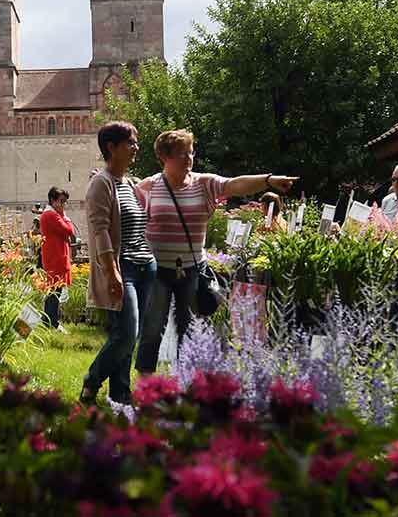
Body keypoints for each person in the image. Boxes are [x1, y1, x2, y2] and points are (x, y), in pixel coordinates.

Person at [135, 129, 297, 373]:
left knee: (189, 328)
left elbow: (235, 184)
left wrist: (269, 180)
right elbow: (133, 226)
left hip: (192, 270)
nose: (189, 158)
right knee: (152, 327)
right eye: (182, 154)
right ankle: (147, 385)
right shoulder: (147, 187)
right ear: (164, 157)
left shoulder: (204, 183)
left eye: (191, 152)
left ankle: (186, 383)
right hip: (158, 270)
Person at [80, 122, 157, 406]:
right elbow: (99, 229)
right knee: (126, 334)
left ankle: (120, 393)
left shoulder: (131, 183)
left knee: (128, 335)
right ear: (111, 148)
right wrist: (111, 271)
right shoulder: (101, 183)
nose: (136, 148)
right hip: (122, 268)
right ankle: (92, 380)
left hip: (145, 267)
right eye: (130, 143)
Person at [39, 186, 75, 331]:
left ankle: (48, 320)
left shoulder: (52, 214)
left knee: (54, 291)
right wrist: (65, 217)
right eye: (61, 201)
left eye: (65, 202)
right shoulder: (51, 215)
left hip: (56, 256)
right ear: (52, 200)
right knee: (54, 291)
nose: (63, 205)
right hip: (55, 257)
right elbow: (69, 230)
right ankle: (52, 322)